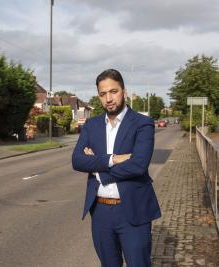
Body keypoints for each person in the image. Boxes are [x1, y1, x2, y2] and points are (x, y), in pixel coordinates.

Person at [72, 69, 161, 267]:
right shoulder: (91, 125)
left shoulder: (142, 123)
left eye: (113, 91)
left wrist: (96, 167)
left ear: (124, 92)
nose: (108, 99)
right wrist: (114, 159)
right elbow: (77, 161)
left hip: (133, 211)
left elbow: (138, 165)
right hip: (101, 212)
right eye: (103, 94)